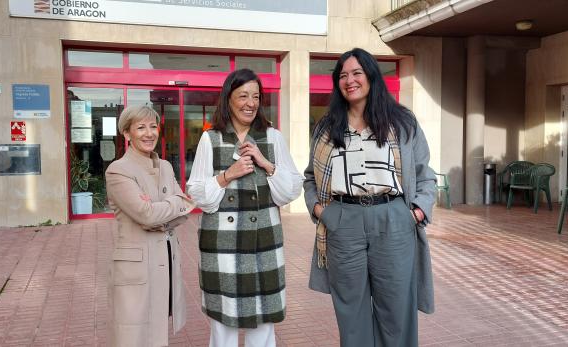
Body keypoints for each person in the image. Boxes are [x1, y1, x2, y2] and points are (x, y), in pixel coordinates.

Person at [303, 48, 437, 347]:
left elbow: (424, 173)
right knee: (351, 314)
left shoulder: (401, 122)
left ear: (371, 77)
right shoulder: (327, 127)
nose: (349, 80)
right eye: (343, 75)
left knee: (397, 312)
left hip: (393, 219)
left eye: (356, 73)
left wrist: (415, 211)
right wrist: (319, 209)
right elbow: (311, 176)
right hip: (342, 221)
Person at [187, 69, 304, 347]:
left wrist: (266, 164)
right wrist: (228, 175)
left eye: (255, 96)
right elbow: (198, 194)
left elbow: (291, 190)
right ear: (228, 99)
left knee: (263, 324)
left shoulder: (272, 136)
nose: (250, 103)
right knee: (223, 326)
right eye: (243, 96)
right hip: (222, 245)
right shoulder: (211, 138)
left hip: (264, 242)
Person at [105, 105, 195, 347]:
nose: (149, 133)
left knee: (157, 332)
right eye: (140, 127)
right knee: (131, 335)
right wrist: (173, 204)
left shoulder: (164, 166)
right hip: (136, 266)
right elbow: (146, 215)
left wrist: (162, 211)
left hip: (163, 260)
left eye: (153, 127)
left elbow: (184, 211)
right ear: (127, 133)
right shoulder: (118, 171)